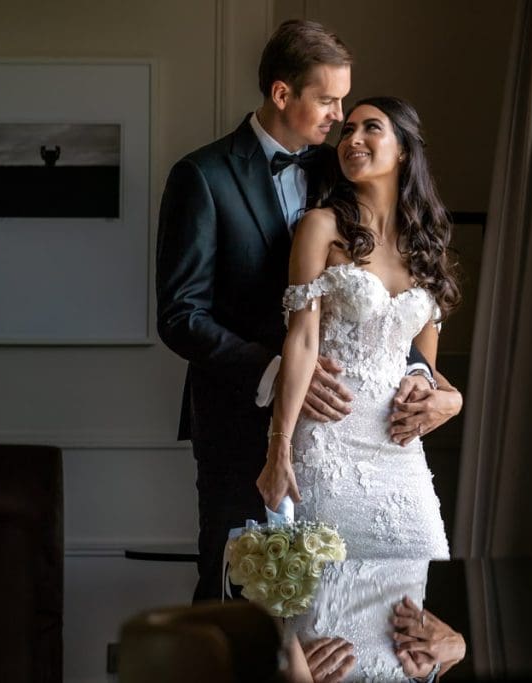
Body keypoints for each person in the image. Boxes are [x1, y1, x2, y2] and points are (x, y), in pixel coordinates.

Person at [156, 20, 460, 603]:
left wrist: (430, 382)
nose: (340, 118)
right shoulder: (203, 177)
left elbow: (393, 306)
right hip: (242, 421)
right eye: (327, 101)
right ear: (281, 95)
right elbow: (180, 314)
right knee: (237, 599)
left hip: (357, 431)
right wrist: (274, 370)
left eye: (346, 103)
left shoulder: (344, 167)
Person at [256, 96, 458, 560]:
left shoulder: (427, 243)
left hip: (399, 453)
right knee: (327, 609)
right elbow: (302, 338)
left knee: (414, 602)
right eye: (347, 130)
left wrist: (444, 394)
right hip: (328, 447)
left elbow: (422, 363)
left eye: (371, 128)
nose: (352, 139)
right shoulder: (321, 227)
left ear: (404, 149)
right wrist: (279, 448)